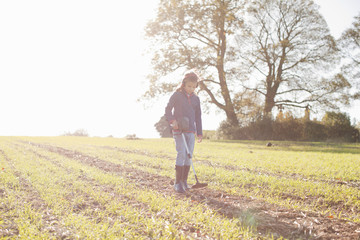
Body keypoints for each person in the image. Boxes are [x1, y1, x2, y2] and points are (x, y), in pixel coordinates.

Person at [165, 71, 203, 193]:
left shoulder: (196, 99)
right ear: (183, 84)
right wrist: (172, 121)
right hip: (179, 129)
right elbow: (167, 109)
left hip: (191, 130)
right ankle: (177, 183)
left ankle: (184, 181)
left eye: (193, 87)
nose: (191, 89)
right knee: (181, 153)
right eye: (189, 86)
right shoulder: (176, 95)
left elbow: (198, 116)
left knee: (188, 155)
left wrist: (199, 132)